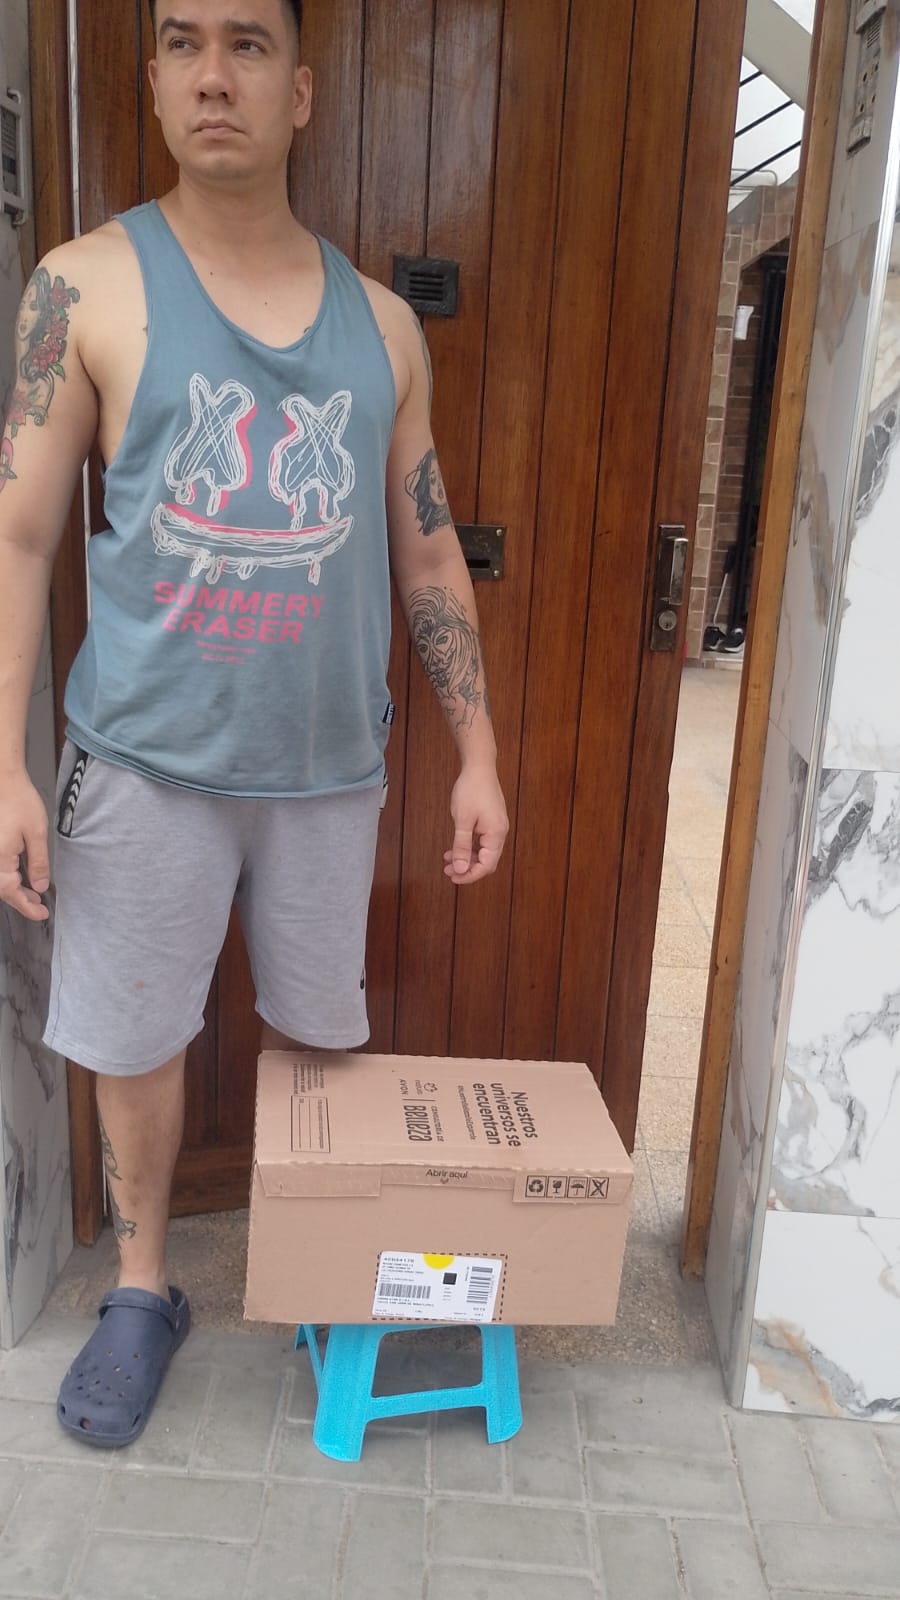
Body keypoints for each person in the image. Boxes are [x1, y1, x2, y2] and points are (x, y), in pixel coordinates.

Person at [0, 0, 508, 1447]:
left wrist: (479, 754)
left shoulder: (386, 329)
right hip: (142, 761)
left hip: (326, 771)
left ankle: (315, 1265)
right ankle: (141, 1288)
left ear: (301, 91)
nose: (212, 74)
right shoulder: (79, 289)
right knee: (134, 1038)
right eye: (181, 44)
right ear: (157, 83)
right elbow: (20, 537)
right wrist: (5, 768)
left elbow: (428, 553)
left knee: (316, 1032)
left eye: (247, 44)